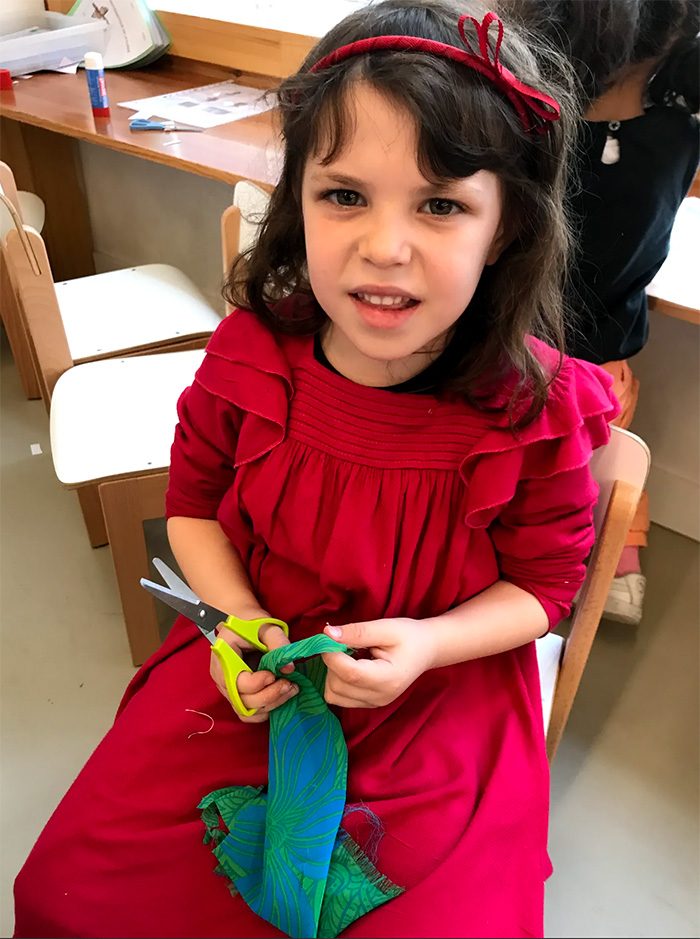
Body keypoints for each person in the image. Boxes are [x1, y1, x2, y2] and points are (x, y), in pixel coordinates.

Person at [13, 1, 620, 937]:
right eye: (344, 195)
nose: (384, 247)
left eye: (441, 205)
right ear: (298, 200)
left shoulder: (535, 410)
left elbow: (543, 590)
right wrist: (238, 620)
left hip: (439, 690)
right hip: (259, 661)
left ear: (504, 228)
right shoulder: (250, 356)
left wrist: (426, 646)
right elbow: (194, 511)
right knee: (69, 894)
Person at [500, 0, 700, 625]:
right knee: (607, 457)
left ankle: (565, 557)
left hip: (533, 356)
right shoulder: (677, 134)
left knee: (564, 465)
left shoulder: (523, 122)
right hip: (578, 362)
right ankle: (616, 557)